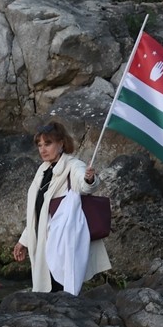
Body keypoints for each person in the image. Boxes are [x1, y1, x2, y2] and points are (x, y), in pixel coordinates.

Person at [12, 119, 111, 293]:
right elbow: (37, 210)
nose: (42, 149)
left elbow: (84, 184)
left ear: (61, 144)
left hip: (62, 244)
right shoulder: (42, 170)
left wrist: (89, 178)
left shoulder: (72, 165)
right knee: (49, 289)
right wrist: (23, 241)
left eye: (48, 143)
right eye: (40, 144)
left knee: (60, 287)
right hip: (44, 242)